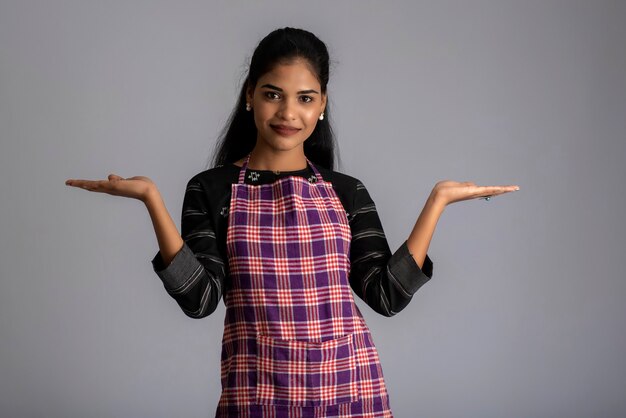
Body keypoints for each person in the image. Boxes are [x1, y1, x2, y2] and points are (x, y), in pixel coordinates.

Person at [65, 27, 519, 418]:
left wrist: (437, 202)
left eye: (305, 98)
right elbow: (201, 300)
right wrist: (151, 201)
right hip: (257, 393)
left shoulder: (347, 191)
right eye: (272, 94)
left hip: (350, 390)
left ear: (322, 104)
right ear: (249, 96)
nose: (288, 113)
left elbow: (386, 295)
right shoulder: (212, 188)